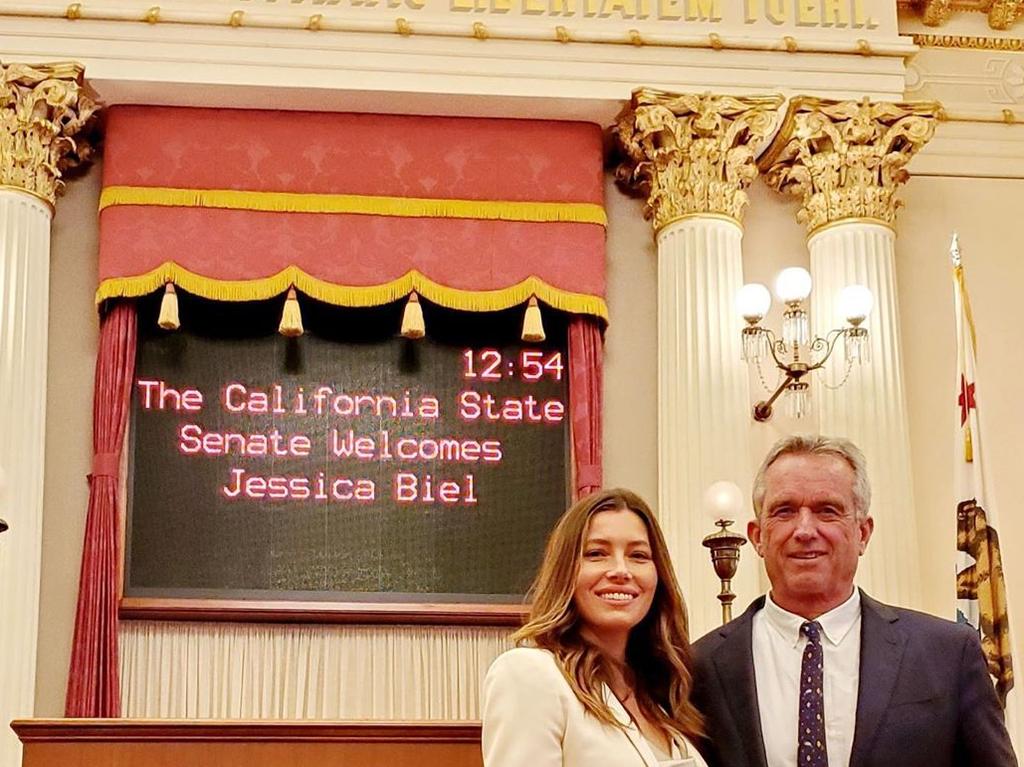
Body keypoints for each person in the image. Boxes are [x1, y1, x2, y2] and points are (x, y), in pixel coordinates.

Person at [691, 434, 1017, 767]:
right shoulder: (697, 666)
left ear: (863, 533)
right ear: (758, 537)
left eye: (827, 511)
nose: (804, 530)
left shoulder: (946, 653)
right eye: (785, 511)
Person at [482, 488, 708, 766]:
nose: (621, 570)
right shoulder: (529, 674)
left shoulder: (659, 696)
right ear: (565, 572)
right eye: (597, 553)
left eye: (638, 555)